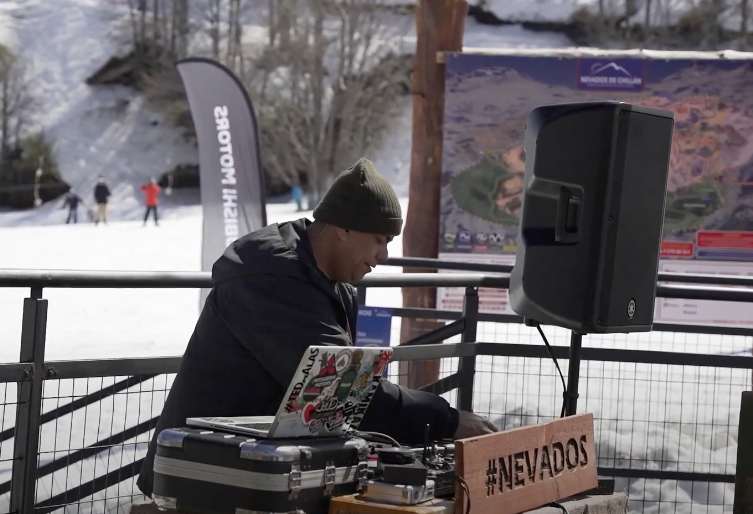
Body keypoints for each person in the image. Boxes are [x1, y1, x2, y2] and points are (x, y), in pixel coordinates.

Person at [136, 157, 497, 498]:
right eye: (379, 239)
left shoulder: (330, 279)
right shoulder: (272, 278)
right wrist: (446, 419)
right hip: (200, 474)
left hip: (255, 468)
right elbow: (343, 392)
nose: (384, 255)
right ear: (343, 228)